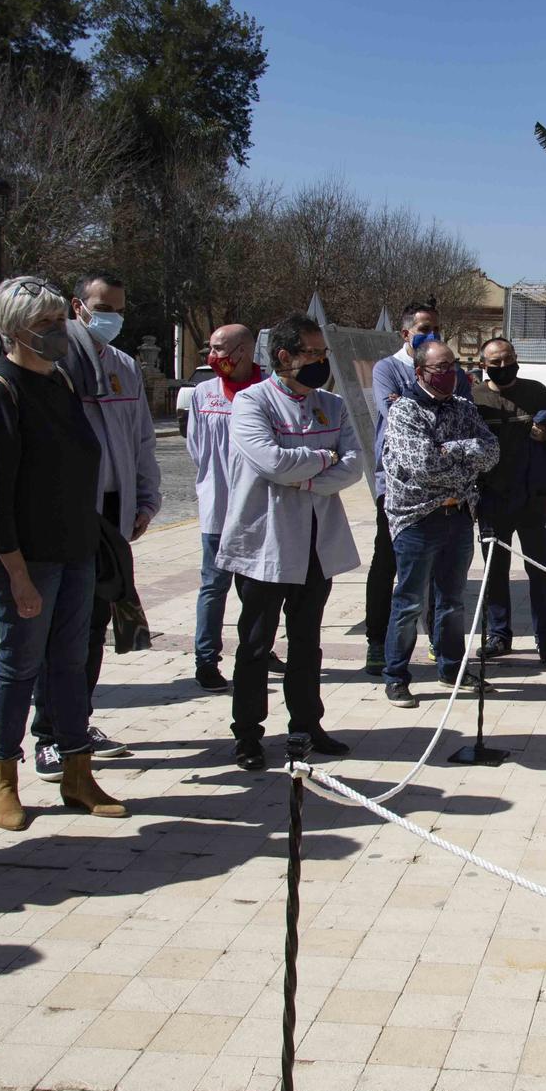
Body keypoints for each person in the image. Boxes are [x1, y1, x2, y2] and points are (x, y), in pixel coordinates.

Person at [0, 276, 127, 830]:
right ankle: (2, 776)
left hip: (76, 550)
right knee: (19, 664)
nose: (60, 333)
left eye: (61, 321)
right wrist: (16, 576)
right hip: (25, 559)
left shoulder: (59, 381)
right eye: (46, 326)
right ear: (13, 331)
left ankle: (77, 772)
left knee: (71, 664)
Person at [28, 272, 161, 779]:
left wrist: (146, 500)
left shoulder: (124, 366)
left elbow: (142, 441)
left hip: (111, 515)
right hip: (64, 515)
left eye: (119, 307)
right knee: (58, 630)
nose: (113, 317)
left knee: (92, 627)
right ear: (77, 307)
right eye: (103, 306)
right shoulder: (56, 364)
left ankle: (76, 722)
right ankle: (48, 735)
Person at [216, 317, 361, 770]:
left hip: (317, 542)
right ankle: (248, 734)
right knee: (256, 644)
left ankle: (306, 724)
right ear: (284, 357)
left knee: (307, 641)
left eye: (323, 353)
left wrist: (306, 479)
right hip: (266, 542)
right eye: (313, 353)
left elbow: (355, 463)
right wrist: (321, 459)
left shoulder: (333, 405)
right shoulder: (252, 403)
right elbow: (271, 462)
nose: (322, 361)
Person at [378, 339, 497, 708]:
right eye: (440, 368)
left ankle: (451, 669)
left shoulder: (462, 406)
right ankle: (396, 676)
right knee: (410, 601)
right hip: (417, 519)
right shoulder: (405, 411)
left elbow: (491, 452)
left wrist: (451, 449)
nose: (450, 374)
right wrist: (464, 456)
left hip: (458, 515)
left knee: (452, 601)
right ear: (420, 373)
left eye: (453, 366)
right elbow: (423, 467)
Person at [364, 301, 471, 674]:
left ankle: (441, 650)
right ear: (406, 333)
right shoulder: (387, 368)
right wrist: (442, 441)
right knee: (389, 567)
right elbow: (395, 410)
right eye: (425, 327)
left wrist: (449, 447)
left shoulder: (453, 375)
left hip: (449, 494)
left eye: (437, 328)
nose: (432, 333)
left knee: (445, 582)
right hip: (399, 490)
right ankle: (378, 644)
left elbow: (468, 422)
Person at [470, 337, 546, 662]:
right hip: (492, 499)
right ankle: (498, 635)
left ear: (516, 359)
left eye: (507, 359)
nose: (502, 366)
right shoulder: (473, 397)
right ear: (483, 365)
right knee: (495, 569)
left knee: (541, 568)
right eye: (494, 362)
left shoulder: (537, 392)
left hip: (533, 497)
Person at [186, 323, 264, 690]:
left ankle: (257, 651)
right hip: (217, 508)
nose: (213, 356)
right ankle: (206, 659)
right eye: (211, 349)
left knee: (259, 591)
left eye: (220, 349)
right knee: (213, 586)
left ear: (244, 351)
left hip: (260, 511)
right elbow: (196, 448)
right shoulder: (203, 394)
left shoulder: (268, 390)